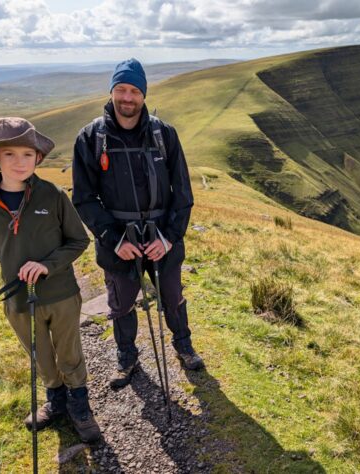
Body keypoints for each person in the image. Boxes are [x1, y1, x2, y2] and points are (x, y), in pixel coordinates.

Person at [0, 117, 101, 443]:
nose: (19, 162)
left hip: (62, 294)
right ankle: (55, 402)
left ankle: (80, 405)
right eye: (9, 154)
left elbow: (78, 241)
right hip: (18, 302)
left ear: (38, 157)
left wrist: (46, 265)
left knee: (69, 353)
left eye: (27, 154)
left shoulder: (53, 195)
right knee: (40, 355)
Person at [72, 58, 204, 389]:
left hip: (162, 236)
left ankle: (183, 345)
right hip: (119, 240)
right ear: (112, 91)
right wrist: (115, 239)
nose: (127, 97)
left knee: (172, 295)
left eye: (134, 90)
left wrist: (170, 238)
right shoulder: (91, 138)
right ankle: (126, 356)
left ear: (143, 94)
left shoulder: (165, 135)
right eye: (121, 89)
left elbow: (183, 194)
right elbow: (85, 199)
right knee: (121, 303)